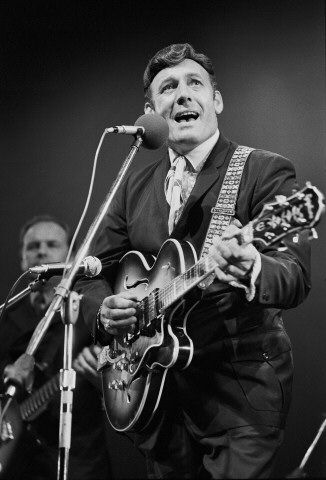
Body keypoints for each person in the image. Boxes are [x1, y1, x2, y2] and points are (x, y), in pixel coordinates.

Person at [78, 44, 311, 478]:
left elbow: (295, 275)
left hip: (240, 394)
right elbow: (87, 270)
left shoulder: (264, 170)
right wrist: (103, 311)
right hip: (157, 395)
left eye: (194, 84)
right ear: (150, 112)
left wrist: (253, 268)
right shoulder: (133, 186)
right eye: (168, 88)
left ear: (216, 101)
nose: (182, 95)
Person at [0, 215, 110, 480]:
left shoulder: (89, 310)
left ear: (71, 257)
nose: (41, 251)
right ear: (22, 259)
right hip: (18, 461)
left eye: (52, 244)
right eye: (33, 246)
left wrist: (102, 376)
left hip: (80, 461)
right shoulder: (7, 316)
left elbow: (122, 388)